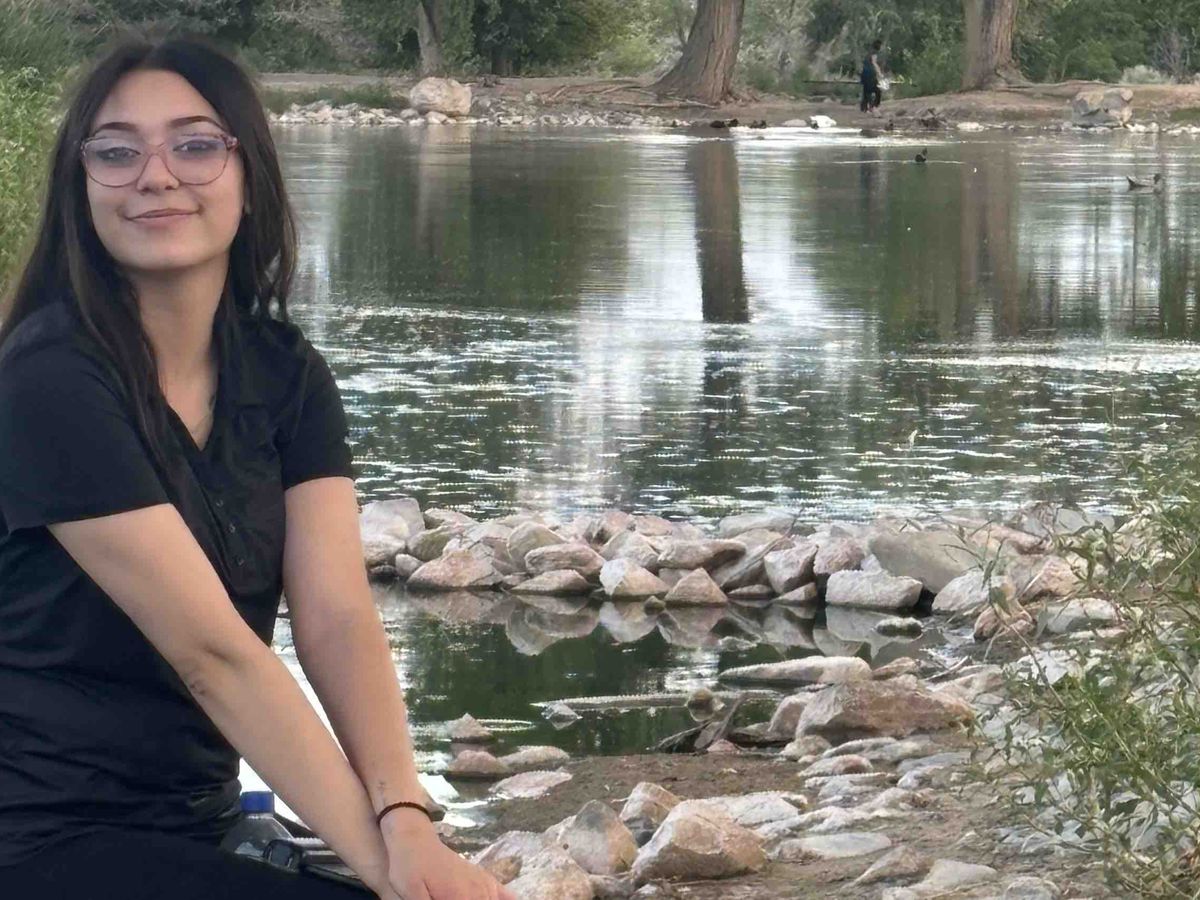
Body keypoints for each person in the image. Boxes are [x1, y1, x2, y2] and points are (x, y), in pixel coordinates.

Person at [0, 36, 513, 900]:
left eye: (195, 145)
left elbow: (337, 617)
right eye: (116, 152)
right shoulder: (48, 379)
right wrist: (394, 878)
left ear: (249, 175)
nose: (156, 176)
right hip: (37, 834)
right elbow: (214, 654)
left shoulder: (283, 373)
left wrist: (405, 819)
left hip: (194, 824)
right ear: (80, 189)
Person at [860, 39, 885, 114]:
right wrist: (879, 73)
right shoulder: (874, 53)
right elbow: (874, 63)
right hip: (870, 73)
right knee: (877, 90)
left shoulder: (869, 52)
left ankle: (864, 108)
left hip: (864, 73)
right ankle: (873, 106)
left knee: (866, 91)